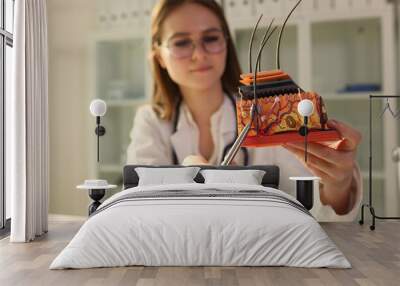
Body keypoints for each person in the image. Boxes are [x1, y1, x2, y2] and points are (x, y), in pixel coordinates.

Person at [126, 0, 362, 221]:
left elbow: (313, 212)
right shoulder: (151, 122)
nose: (199, 54)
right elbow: (138, 210)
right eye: (181, 42)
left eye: (211, 38)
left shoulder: (270, 115)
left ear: (226, 43)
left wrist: (338, 185)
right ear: (159, 57)